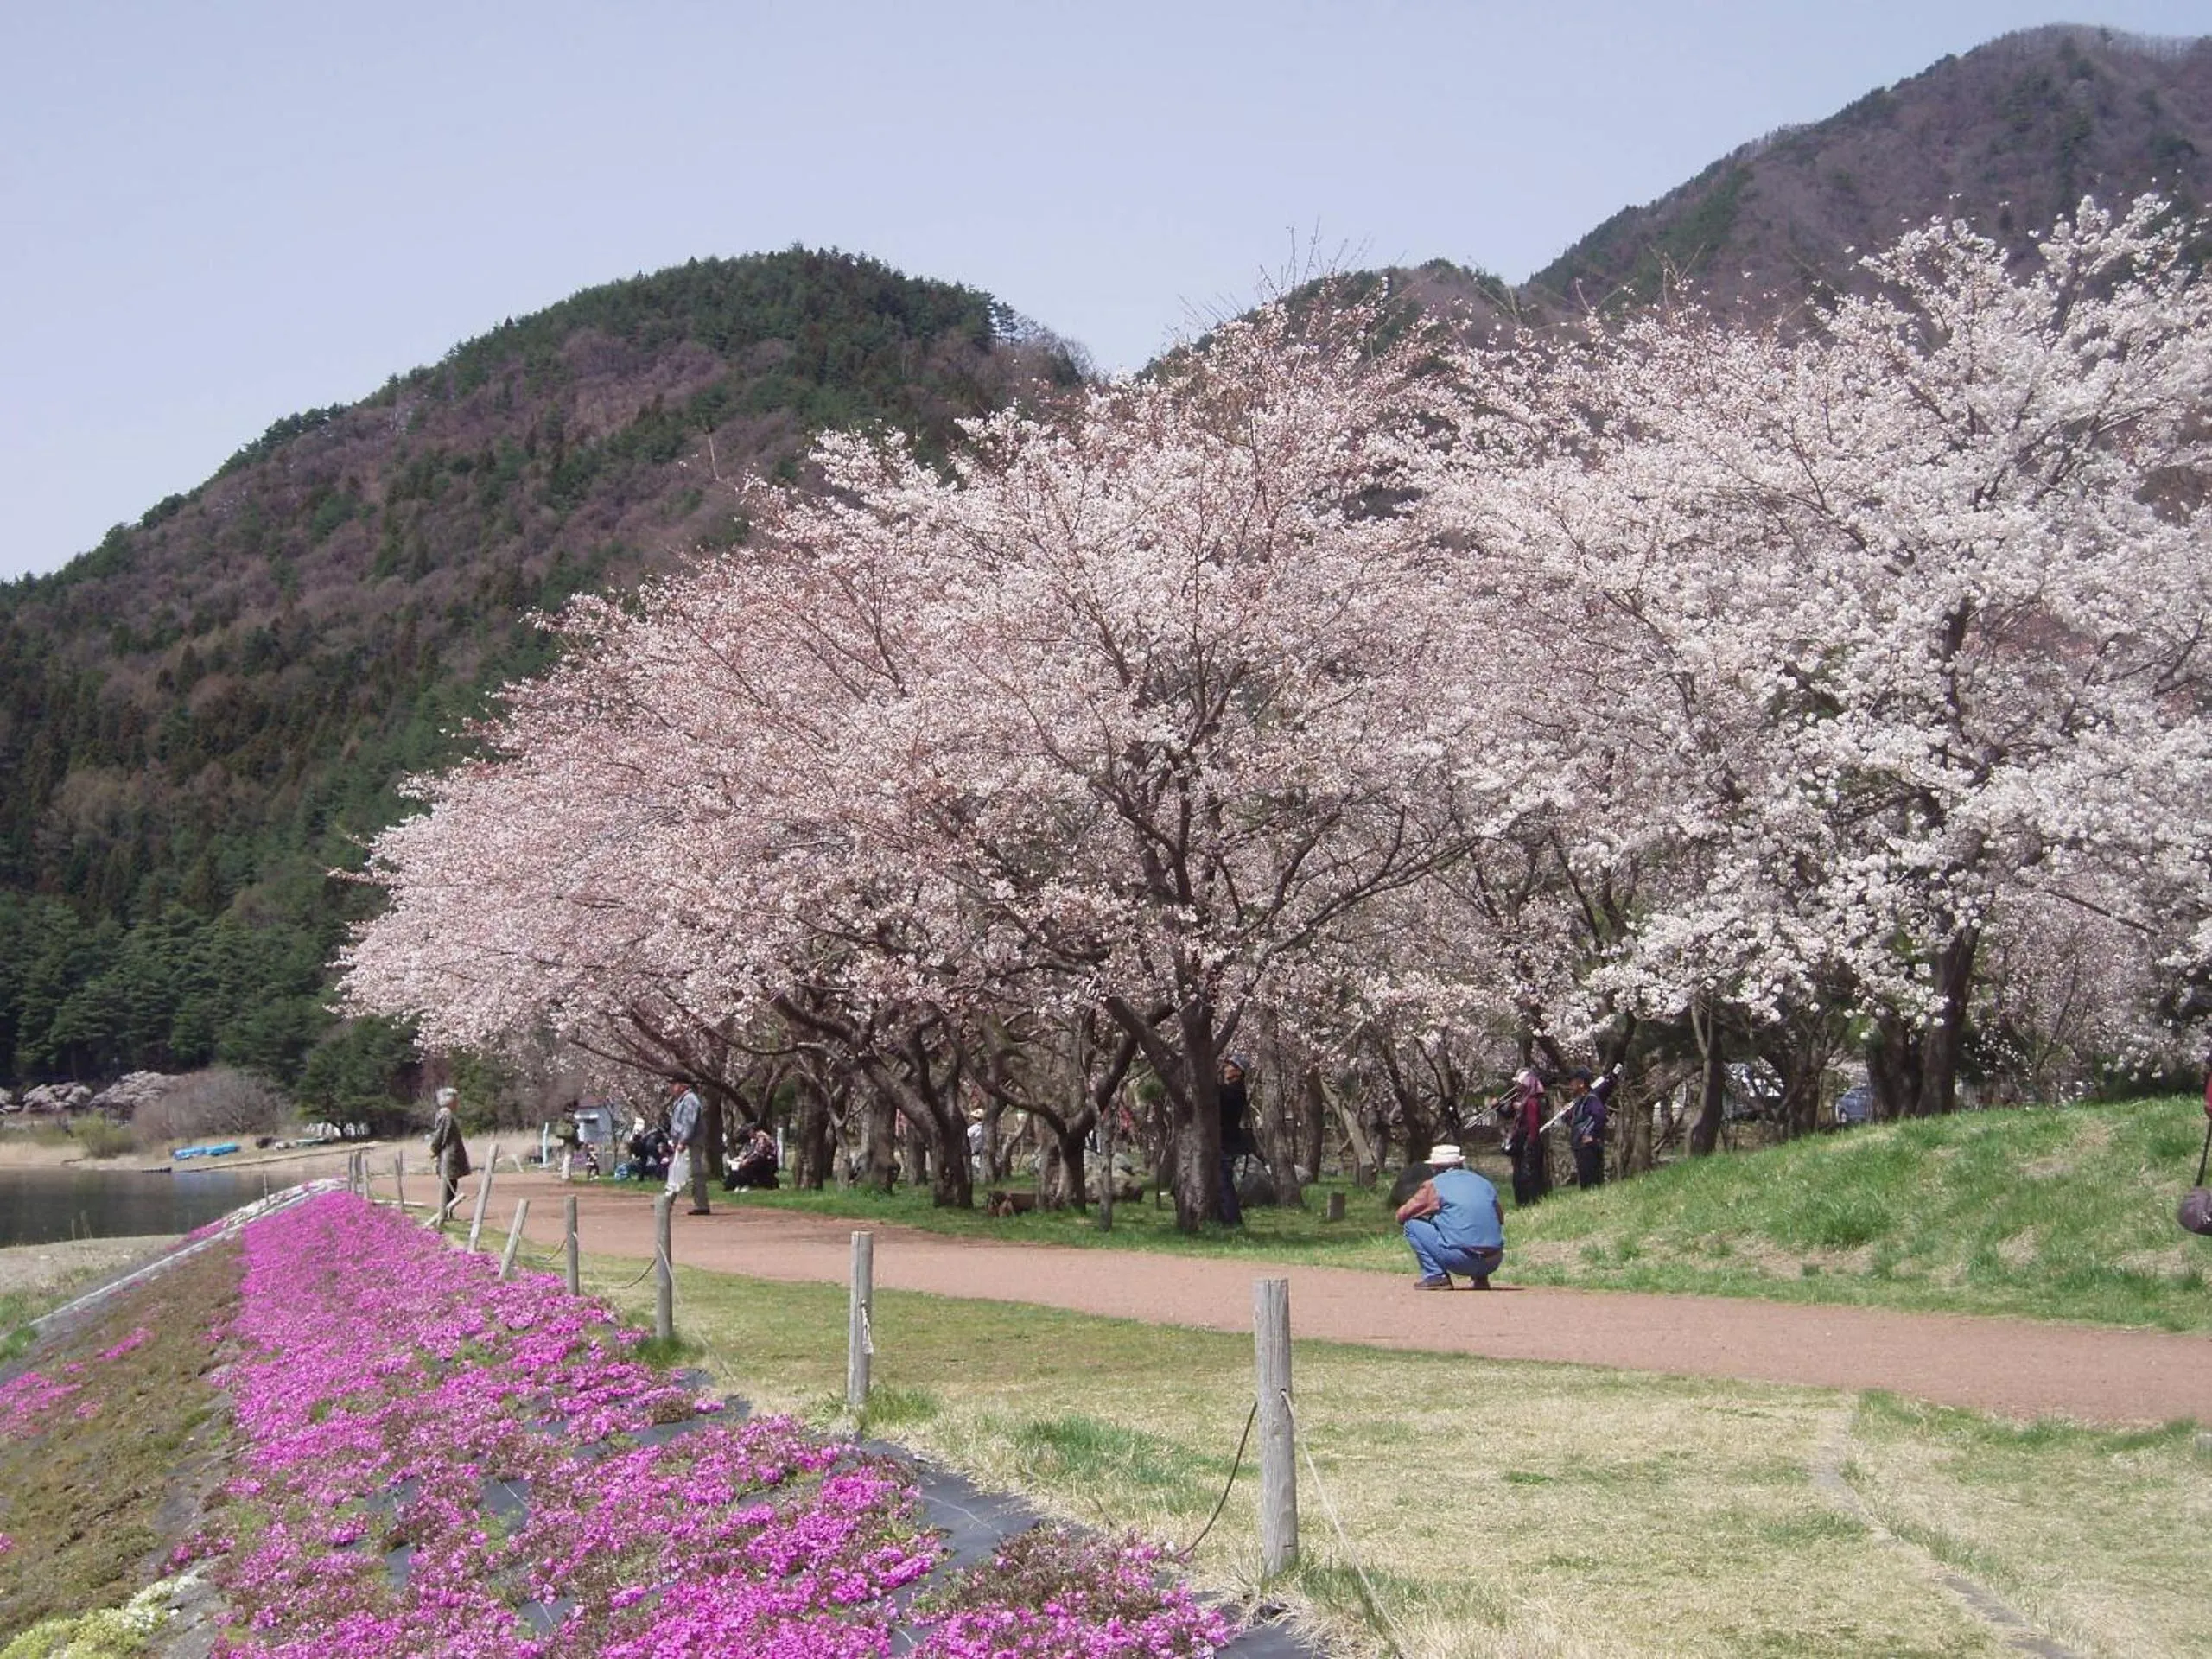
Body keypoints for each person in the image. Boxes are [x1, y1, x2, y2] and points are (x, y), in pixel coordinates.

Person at [1395, 1143, 1505, 1289]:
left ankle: (1436, 1276)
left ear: (1435, 1167)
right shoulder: (1484, 1183)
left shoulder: (1434, 1185)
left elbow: (1403, 1215)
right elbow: (1500, 1219)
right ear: (1460, 1163)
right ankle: (1480, 1278)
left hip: (1460, 1260)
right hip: (1493, 1260)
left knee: (1412, 1225)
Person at [1499, 1069, 1551, 1207]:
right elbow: (1509, 1114)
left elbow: (1533, 1126)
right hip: (1523, 1143)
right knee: (1519, 1176)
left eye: (1520, 1084)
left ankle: (1531, 1202)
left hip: (1529, 1145)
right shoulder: (1521, 1100)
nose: (1517, 1087)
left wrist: (1529, 1144)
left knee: (1529, 1176)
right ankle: (1522, 1202)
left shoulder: (1532, 1101)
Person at [1217, 1056, 1254, 1226]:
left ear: (1238, 1072)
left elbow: (1220, 1096)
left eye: (1230, 1066)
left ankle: (1232, 1220)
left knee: (1223, 1182)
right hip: (1227, 1141)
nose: (1225, 1068)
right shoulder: (1232, 1089)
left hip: (1227, 1142)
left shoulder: (1234, 1091)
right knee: (1223, 1181)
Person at [664, 1078, 709, 1214]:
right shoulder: (682, 1100)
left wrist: (683, 1141)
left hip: (691, 1143)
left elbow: (689, 1123)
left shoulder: (690, 1100)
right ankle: (667, 1201)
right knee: (677, 1170)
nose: (671, 1087)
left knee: (693, 1173)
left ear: (683, 1085)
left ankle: (701, 1205)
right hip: (684, 1142)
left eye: (674, 1084)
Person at [427, 1086, 470, 1224]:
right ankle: (445, 1213)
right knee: (448, 1184)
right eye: (456, 1100)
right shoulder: (445, 1114)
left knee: (452, 1184)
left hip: (451, 1155)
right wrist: (434, 1149)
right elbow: (440, 1134)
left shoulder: (447, 1114)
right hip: (448, 1155)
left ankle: (448, 1212)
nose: (458, 1103)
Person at [1566, 1067, 1611, 1189]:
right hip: (1580, 1146)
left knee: (1592, 1183)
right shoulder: (1579, 1101)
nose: (1570, 1085)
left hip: (1589, 1147)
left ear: (1581, 1083)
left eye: (1573, 1081)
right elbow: (1577, 1121)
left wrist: (1593, 1136)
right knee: (1585, 1183)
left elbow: (1600, 1116)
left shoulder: (1591, 1099)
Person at [724, 1123, 779, 1190]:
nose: (748, 1134)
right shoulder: (754, 1140)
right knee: (739, 1167)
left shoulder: (762, 1138)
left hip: (767, 1163)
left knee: (746, 1168)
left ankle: (743, 1184)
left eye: (749, 1132)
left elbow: (759, 1153)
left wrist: (747, 1160)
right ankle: (735, 1185)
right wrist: (740, 1158)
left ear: (752, 1131)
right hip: (760, 1161)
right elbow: (749, 1152)